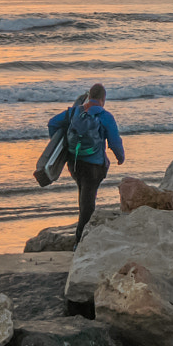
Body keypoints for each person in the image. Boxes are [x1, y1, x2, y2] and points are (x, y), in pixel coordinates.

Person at [47, 83, 125, 245]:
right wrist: (120, 157)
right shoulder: (105, 116)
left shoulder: (74, 112)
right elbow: (115, 141)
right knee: (88, 203)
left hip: (74, 163)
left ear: (89, 96)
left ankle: (82, 236)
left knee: (84, 197)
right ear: (103, 99)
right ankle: (80, 242)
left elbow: (52, 123)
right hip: (95, 166)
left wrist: (62, 146)